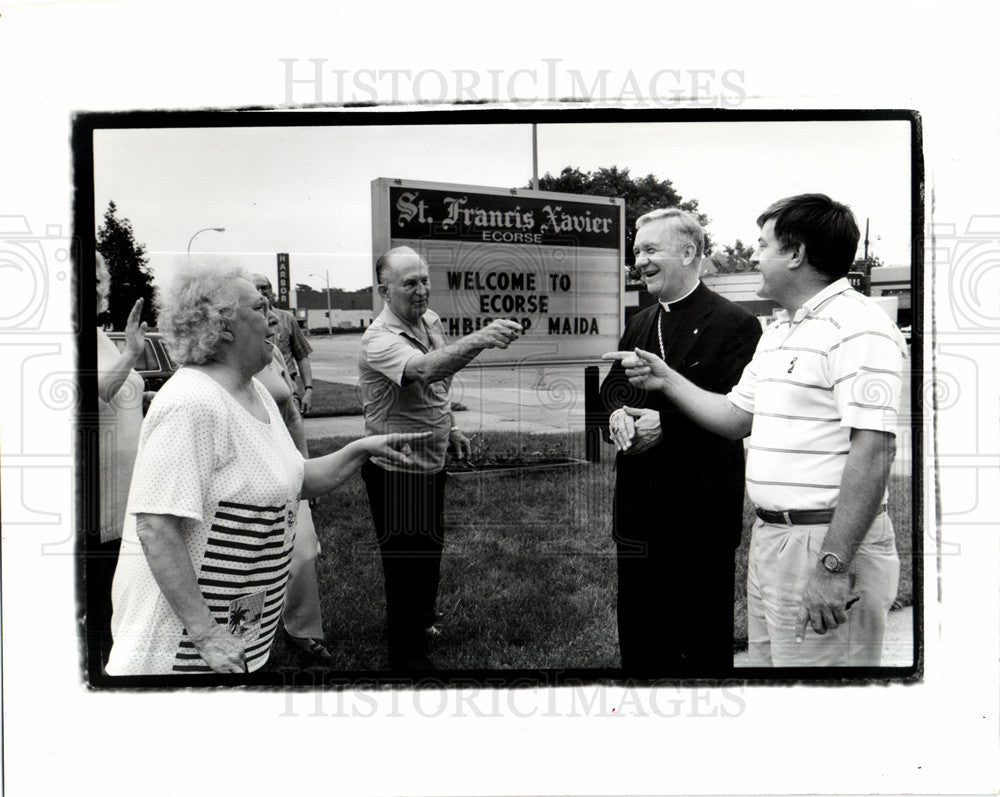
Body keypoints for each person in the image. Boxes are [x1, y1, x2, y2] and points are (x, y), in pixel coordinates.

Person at [606, 194, 907, 667]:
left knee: (823, 702)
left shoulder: (859, 327)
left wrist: (833, 566)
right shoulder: (779, 332)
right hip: (773, 541)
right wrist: (665, 379)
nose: (751, 255)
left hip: (823, 543)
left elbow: (874, 451)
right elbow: (733, 416)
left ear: (796, 253)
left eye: (762, 244)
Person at [106, 260, 425, 675]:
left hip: (237, 642)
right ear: (222, 327)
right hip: (180, 654)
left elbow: (298, 479)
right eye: (260, 308)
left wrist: (359, 450)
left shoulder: (253, 389)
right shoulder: (192, 403)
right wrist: (206, 634)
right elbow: (155, 526)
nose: (275, 318)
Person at [598, 209, 762, 675]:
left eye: (650, 250)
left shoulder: (737, 324)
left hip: (699, 520)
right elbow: (610, 391)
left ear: (688, 252)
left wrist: (663, 424)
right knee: (641, 649)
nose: (640, 261)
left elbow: (738, 415)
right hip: (637, 516)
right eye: (636, 253)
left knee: (699, 654)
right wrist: (615, 416)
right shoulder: (639, 322)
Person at [358, 245, 522, 671]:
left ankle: (422, 621)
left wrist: (450, 429)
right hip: (396, 470)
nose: (421, 290)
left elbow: (438, 385)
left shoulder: (429, 320)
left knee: (428, 552)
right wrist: (482, 337)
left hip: (431, 462)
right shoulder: (379, 340)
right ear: (384, 290)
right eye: (409, 283)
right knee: (405, 566)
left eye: (425, 280)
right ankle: (407, 657)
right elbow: (426, 369)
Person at [254, 302, 332, 661]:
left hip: (287, 466)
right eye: (260, 314)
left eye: (272, 319)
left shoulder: (273, 358)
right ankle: (249, 636)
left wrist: (304, 466)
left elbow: (293, 416)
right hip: (253, 473)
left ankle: (299, 629)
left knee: (304, 549)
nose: (271, 327)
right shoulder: (228, 364)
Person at [95, 252, 147, 665]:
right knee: (99, 600)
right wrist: (130, 354)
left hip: (128, 488)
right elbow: (86, 399)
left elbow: (121, 394)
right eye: (86, 281)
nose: (96, 288)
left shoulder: (96, 336)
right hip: (99, 497)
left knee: (121, 599)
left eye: (99, 280)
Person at [251, 274, 315, 414]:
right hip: (257, 388)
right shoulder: (246, 322)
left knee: (293, 429)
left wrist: (308, 390)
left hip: (288, 387)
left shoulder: (287, 319)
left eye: (264, 287)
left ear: (271, 290)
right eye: (256, 288)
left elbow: (302, 355)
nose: (261, 292)